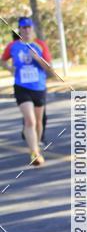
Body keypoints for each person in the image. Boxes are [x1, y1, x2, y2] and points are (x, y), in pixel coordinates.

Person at [1, 16, 54, 166]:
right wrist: (10, 68)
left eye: (29, 27)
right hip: (21, 87)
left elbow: (49, 68)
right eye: (23, 27)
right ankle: (34, 153)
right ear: (19, 30)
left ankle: (36, 146)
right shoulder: (13, 46)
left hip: (38, 87)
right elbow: (3, 60)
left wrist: (38, 58)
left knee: (38, 121)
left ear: (33, 29)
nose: (26, 30)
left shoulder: (40, 45)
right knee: (29, 120)